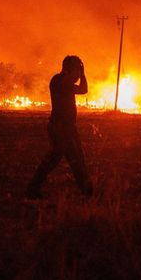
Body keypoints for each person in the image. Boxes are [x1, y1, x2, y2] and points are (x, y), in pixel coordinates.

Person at [26, 55, 93, 198]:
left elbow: (83, 89)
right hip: (60, 127)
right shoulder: (59, 81)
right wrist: (79, 74)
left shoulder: (65, 81)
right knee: (60, 158)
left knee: (75, 158)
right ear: (69, 70)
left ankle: (86, 190)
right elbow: (80, 88)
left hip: (68, 127)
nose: (77, 76)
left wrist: (81, 73)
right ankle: (33, 188)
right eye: (76, 71)